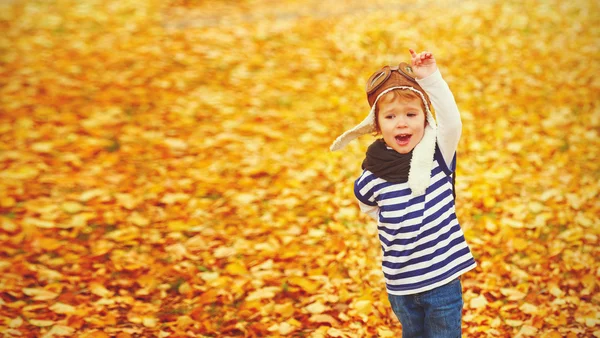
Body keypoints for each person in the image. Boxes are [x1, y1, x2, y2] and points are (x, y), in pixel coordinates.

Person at [330, 49, 477, 337]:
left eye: (411, 114)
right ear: (377, 125)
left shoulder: (438, 155)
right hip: (400, 284)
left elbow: (452, 122)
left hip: (442, 281)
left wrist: (431, 78)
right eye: (391, 116)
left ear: (424, 118)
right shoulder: (371, 175)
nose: (402, 122)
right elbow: (368, 205)